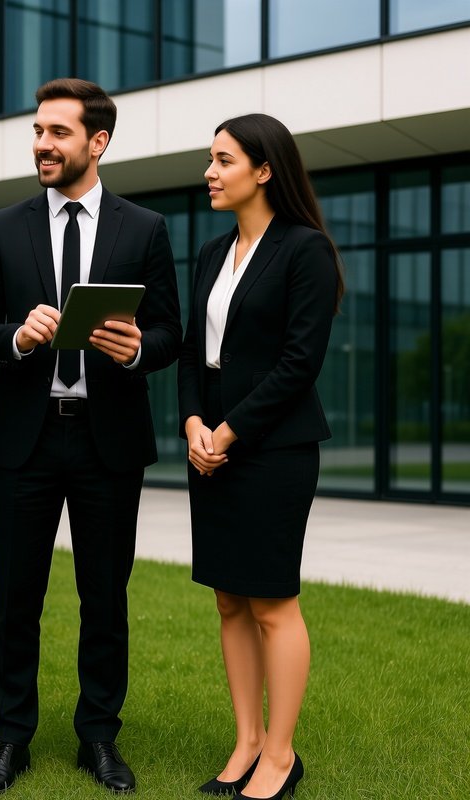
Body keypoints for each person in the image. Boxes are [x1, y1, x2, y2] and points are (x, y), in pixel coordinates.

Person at [0, 77, 181, 795]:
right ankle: (9, 740)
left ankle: (99, 738)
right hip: (25, 439)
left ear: (98, 141)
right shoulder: (2, 225)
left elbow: (170, 331)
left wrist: (137, 348)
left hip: (108, 440)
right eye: (37, 131)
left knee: (105, 598)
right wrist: (19, 337)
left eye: (57, 133)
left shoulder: (144, 229)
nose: (41, 145)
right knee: (14, 594)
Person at [177, 113, 342, 800]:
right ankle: (246, 741)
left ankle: (280, 754)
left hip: (274, 450)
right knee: (228, 602)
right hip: (209, 446)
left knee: (273, 603)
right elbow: (194, 351)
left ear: (264, 169)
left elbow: (300, 362)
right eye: (209, 160)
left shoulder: (305, 250)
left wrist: (230, 432)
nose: (209, 173)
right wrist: (192, 423)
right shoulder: (212, 252)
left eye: (223, 160)